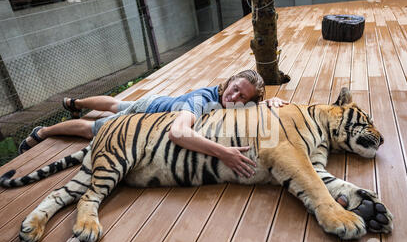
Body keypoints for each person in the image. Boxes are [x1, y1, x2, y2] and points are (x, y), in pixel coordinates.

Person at [19, 70, 288, 178]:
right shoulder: (198, 101)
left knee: (114, 103)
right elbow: (179, 133)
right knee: (94, 129)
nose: (235, 97)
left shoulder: (230, 100)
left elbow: (247, 106)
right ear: (228, 82)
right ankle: (43, 131)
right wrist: (223, 153)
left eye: (243, 97)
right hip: (145, 116)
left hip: (158, 102)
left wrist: (267, 103)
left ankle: (76, 103)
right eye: (235, 88)